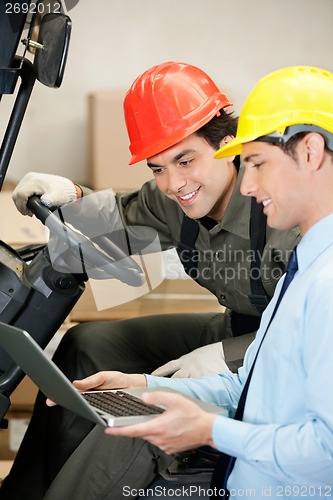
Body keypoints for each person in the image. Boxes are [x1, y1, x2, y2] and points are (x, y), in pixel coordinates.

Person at [0, 62, 299, 499]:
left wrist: (233, 357)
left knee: (140, 418)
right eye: (158, 168)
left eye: (185, 159)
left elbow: (311, 337)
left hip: (276, 357)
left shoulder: (285, 217)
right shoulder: (178, 200)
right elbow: (122, 216)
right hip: (235, 327)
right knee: (88, 346)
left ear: (228, 145)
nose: (174, 183)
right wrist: (71, 196)